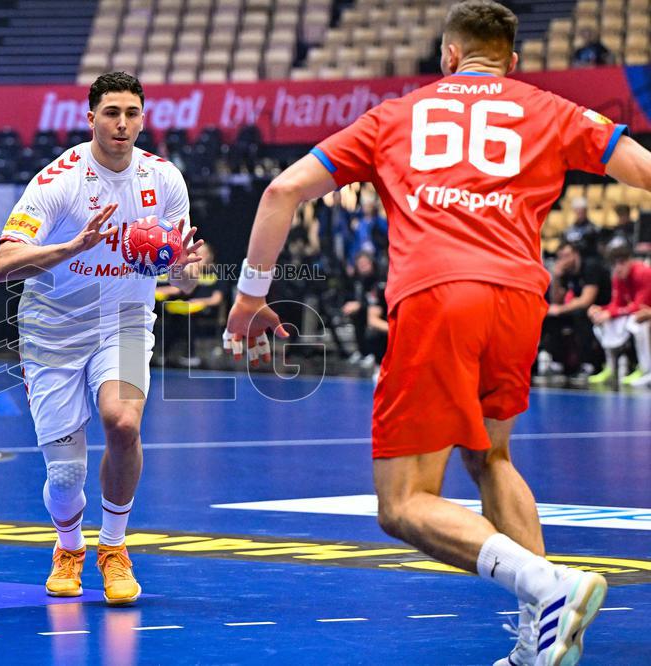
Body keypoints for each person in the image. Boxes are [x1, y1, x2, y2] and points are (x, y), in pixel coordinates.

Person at [224, 2, 651, 663]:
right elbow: (646, 171)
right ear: (511, 62)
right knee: (491, 458)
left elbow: (282, 191)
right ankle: (548, 634)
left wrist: (250, 295)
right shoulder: (551, 108)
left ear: (447, 57)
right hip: (518, 297)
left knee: (402, 504)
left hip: (437, 297)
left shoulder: (394, 115)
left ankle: (551, 584)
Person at [0, 71, 202, 606]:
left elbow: (180, 280)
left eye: (132, 113)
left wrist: (184, 268)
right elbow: (2, 264)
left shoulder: (165, 180)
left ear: (143, 118)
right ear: (90, 119)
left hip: (124, 322)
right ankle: (68, 547)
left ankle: (113, 547)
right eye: (111, 113)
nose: (122, 123)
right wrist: (72, 247)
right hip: (53, 330)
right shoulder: (58, 182)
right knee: (65, 474)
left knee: (123, 422)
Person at [540, 241, 612, 377]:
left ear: (576, 254)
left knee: (579, 315)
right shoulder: (567, 272)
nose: (564, 260)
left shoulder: (591, 266)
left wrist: (560, 309)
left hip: (602, 307)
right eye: (560, 257)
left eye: (567, 255)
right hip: (582, 309)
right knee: (552, 317)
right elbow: (557, 300)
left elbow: (586, 300)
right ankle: (557, 363)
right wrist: (556, 277)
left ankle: (588, 364)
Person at [587, 238, 651, 387]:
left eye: (622, 262)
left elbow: (639, 306)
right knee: (602, 321)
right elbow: (617, 304)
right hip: (638, 313)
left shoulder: (644, 273)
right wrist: (602, 310)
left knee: (638, 323)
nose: (618, 267)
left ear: (630, 260)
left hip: (645, 314)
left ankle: (646, 369)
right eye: (614, 264)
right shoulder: (617, 277)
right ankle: (611, 367)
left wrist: (611, 312)